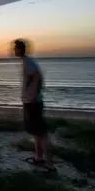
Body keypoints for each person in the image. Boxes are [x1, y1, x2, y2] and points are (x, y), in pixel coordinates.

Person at [13, 39, 55, 172]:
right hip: (32, 102)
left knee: (41, 133)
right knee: (36, 133)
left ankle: (50, 164)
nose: (13, 51)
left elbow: (38, 77)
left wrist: (32, 96)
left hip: (33, 104)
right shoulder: (27, 61)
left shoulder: (28, 62)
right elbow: (36, 79)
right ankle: (38, 158)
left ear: (20, 49)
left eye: (15, 48)